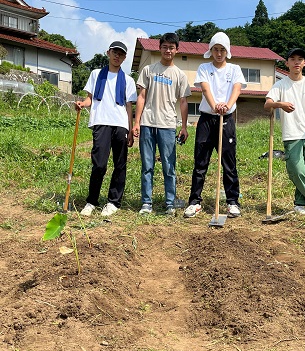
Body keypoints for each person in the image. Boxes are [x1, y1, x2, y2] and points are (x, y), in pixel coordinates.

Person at [183, 32, 246, 219]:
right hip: (207, 119)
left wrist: (226, 106)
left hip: (226, 119)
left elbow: (237, 89)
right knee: (200, 161)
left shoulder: (234, 69)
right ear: (210, 51)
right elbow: (205, 88)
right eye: (216, 50)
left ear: (228, 51)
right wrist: (214, 106)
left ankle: (232, 202)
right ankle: (194, 202)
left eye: (222, 50)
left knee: (229, 162)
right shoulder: (204, 67)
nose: (219, 53)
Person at [264, 47, 305, 217]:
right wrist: (281, 104)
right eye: (292, 59)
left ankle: (299, 204)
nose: (296, 62)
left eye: (300, 59)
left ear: (304, 63)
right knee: (296, 169)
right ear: (287, 63)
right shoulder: (280, 85)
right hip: (291, 134)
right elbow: (267, 104)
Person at [132, 32, 191, 215]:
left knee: (169, 166)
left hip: (167, 125)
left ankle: (170, 203)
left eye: (171, 47)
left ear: (176, 50)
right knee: (147, 165)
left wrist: (183, 126)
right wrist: (136, 122)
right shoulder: (148, 70)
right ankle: (146, 203)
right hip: (148, 123)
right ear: (159, 48)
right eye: (164, 46)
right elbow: (141, 97)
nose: (168, 50)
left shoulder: (180, 75)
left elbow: (183, 101)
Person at [76, 41, 137, 217]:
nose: (117, 56)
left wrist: (131, 130)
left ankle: (113, 202)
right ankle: (91, 201)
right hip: (101, 122)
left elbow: (128, 107)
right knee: (99, 164)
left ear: (124, 57)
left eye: (121, 54)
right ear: (108, 53)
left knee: (120, 164)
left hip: (120, 125)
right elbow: (90, 99)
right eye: (114, 52)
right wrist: (82, 104)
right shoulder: (96, 74)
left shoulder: (128, 80)